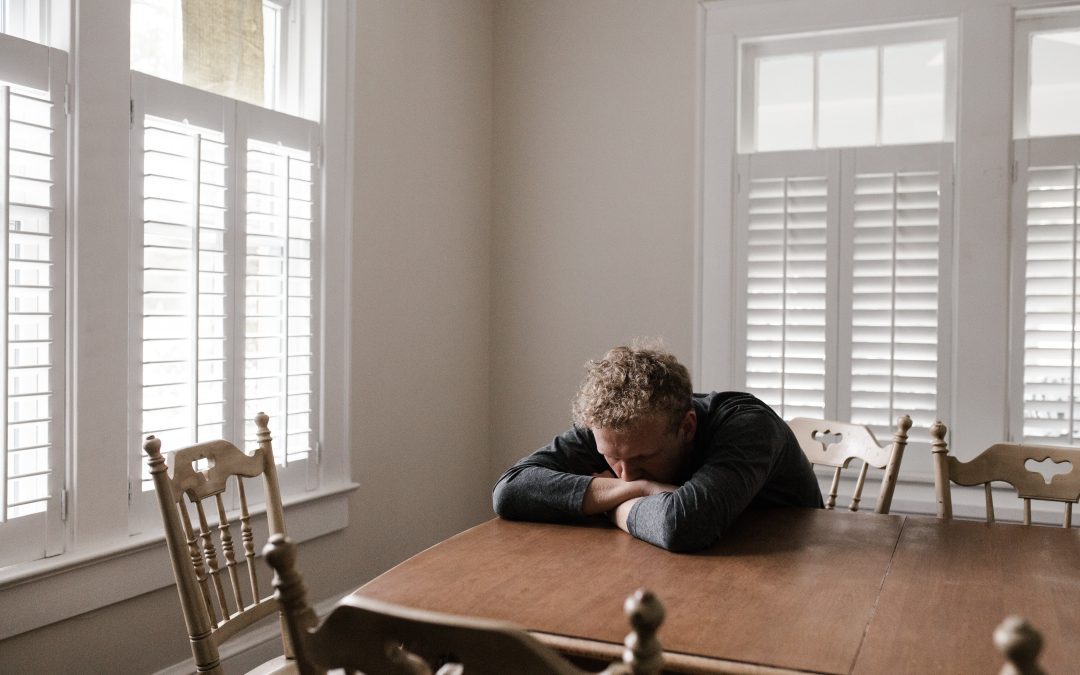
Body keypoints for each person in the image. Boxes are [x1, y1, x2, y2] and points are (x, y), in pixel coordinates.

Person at [492, 342, 823, 552]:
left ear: (687, 427)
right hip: (687, 565)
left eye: (644, 459)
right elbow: (510, 491)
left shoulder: (748, 425)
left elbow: (683, 525)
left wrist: (610, 506)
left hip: (800, 567)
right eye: (611, 458)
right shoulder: (614, 428)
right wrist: (641, 489)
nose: (626, 474)